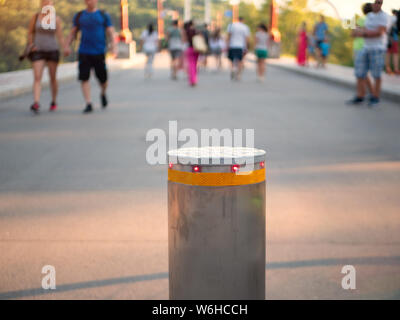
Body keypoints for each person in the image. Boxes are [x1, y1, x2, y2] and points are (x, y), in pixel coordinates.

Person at [65, 0, 117, 114]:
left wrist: (114, 47)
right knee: (84, 78)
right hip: (84, 51)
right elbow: (73, 32)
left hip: (99, 51)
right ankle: (88, 103)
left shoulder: (103, 15)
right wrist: (67, 46)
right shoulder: (80, 16)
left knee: (103, 79)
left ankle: (103, 93)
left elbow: (111, 32)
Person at [27, 0, 66, 114]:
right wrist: (31, 44)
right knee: (37, 76)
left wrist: (65, 48)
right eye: (44, 2)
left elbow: (60, 36)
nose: (46, 4)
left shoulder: (56, 19)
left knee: (52, 78)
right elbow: (30, 33)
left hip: (52, 50)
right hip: (38, 50)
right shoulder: (35, 17)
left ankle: (53, 101)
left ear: (52, 4)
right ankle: (36, 102)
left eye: (48, 2)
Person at [349, 0, 389, 107]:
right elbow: (357, 31)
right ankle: (360, 96)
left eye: (380, 2)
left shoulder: (384, 16)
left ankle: (375, 97)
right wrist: (360, 31)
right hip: (365, 48)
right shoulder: (369, 16)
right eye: (376, 2)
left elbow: (379, 32)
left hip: (377, 48)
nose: (377, 4)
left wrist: (362, 33)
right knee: (360, 72)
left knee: (376, 74)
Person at [351, 3, 374, 99]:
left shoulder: (362, 20)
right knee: (364, 73)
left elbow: (353, 33)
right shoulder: (374, 21)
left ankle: (361, 95)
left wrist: (356, 30)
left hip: (359, 48)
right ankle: (372, 93)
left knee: (359, 73)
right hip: (368, 48)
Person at [227, 17, 250, 81]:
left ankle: (232, 69)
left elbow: (229, 35)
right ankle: (238, 74)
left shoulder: (231, 26)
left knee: (231, 60)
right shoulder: (245, 27)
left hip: (232, 45)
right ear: (243, 20)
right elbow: (246, 38)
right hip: (241, 46)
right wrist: (246, 47)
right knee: (240, 60)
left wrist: (227, 44)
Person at [183, 20, 199, 87]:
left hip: (189, 48)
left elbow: (184, 40)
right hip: (197, 48)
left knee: (191, 64)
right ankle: (195, 79)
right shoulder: (196, 31)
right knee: (195, 64)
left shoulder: (185, 31)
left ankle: (192, 80)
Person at [385, 10, 399, 75]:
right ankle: (396, 69)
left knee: (388, 54)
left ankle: (388, 68)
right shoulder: (397, 19)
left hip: (388, 39)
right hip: (395, 39)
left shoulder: (390, 18)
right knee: (395, 54)